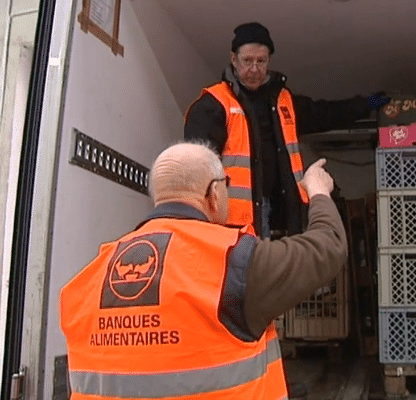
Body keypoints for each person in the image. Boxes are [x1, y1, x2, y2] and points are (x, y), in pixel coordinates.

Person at [60, 142, 348, 399]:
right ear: (214, 193)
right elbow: (328, 247)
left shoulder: (86, 281)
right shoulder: (235, 261)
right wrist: (318, 190)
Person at [184, 22, 389, 239]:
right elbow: (196, 165)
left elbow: (326, 113)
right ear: (234, 60)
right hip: (238, 221)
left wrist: (368, 104)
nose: (254, 69)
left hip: (287, 214)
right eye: (247, 61)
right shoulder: (214, 103)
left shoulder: (285, 101)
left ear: (269, 61)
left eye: (261, 61)